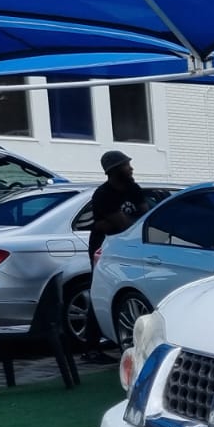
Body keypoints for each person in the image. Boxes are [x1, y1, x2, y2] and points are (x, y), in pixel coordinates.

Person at [87, 150, 150, 357]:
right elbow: (122, 223)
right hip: (104, 247)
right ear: (114, 170)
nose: (131, 168)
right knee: (101, 289)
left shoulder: (133, 188)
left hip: (128, 245)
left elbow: (145, 214)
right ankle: (92, 347)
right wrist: (126, 224)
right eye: (126, 165)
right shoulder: (104, 194)